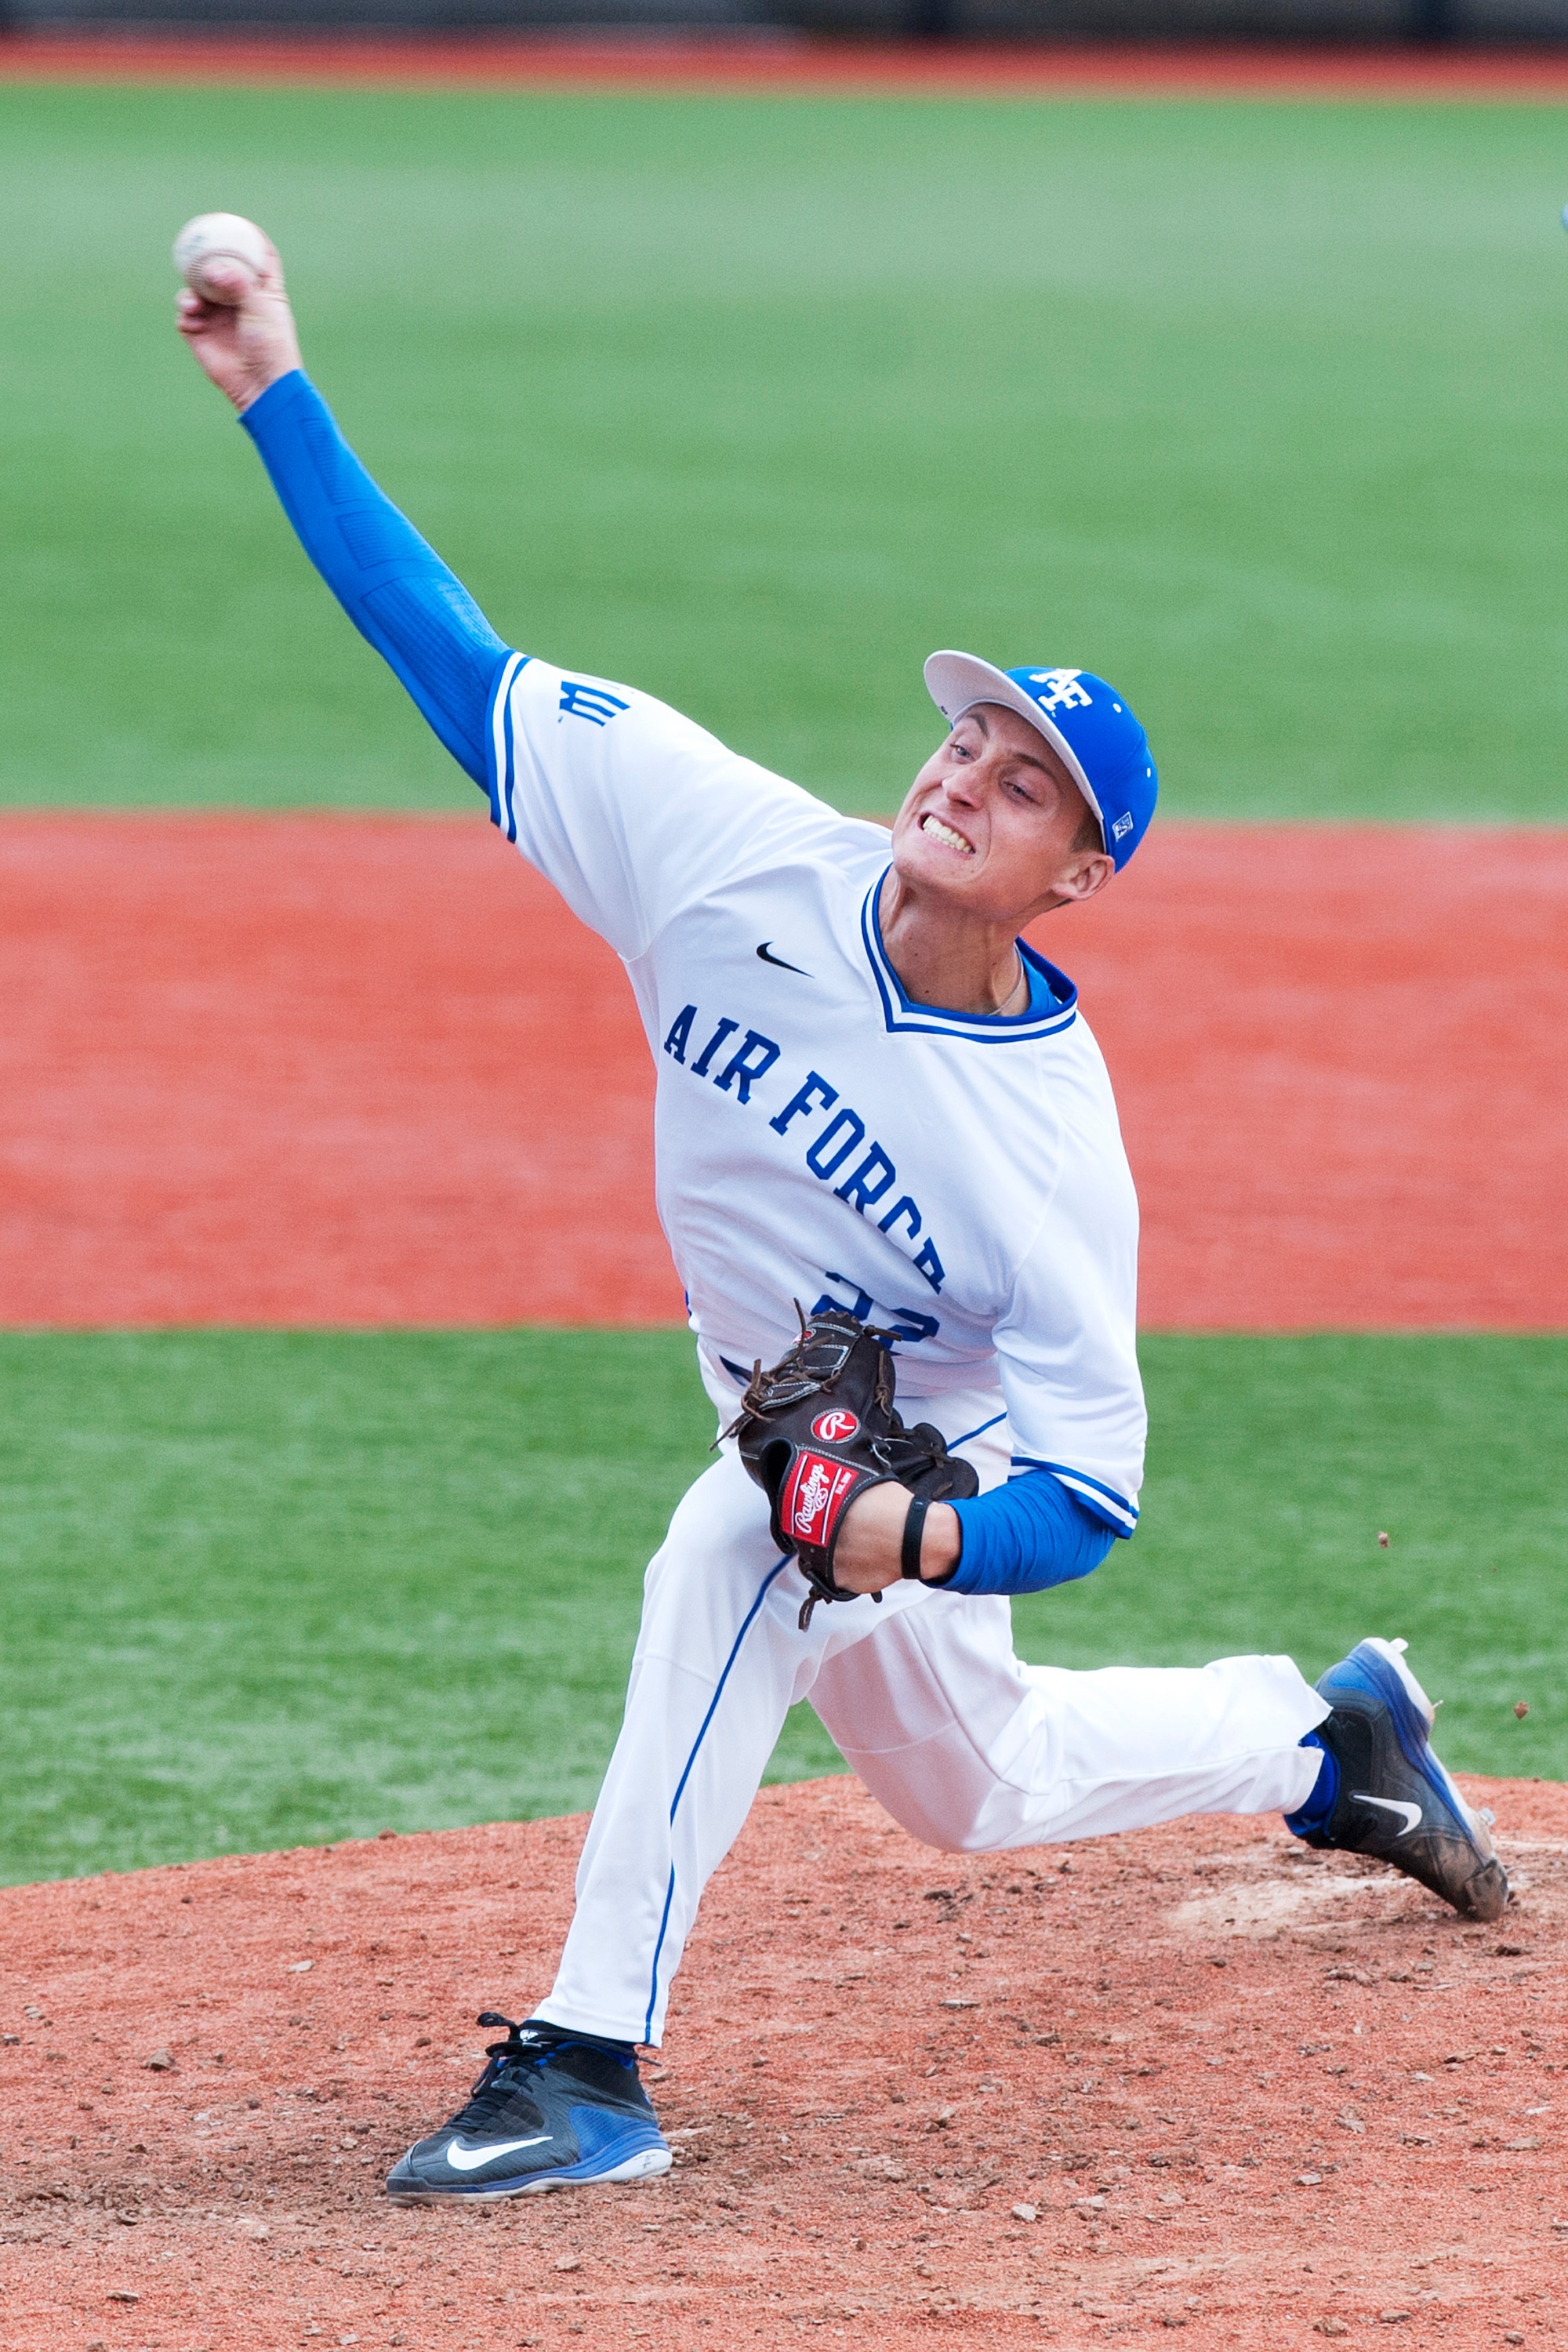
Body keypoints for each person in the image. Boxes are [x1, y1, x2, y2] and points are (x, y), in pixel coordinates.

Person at [176, 234, 1508, 2205]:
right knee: (980, 1790)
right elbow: (450, 656)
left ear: (1080, 877)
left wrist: (910, 1528)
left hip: (903, 1450)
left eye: (1028, 780)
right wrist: (273, 388)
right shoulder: (721, 851)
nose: (969, 771)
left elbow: (1092, 1488)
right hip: (791, 1418)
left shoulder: (1051, 1154)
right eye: (970, 735)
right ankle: (1329, 1744)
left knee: (731, 1553)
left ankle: (580, 2063)